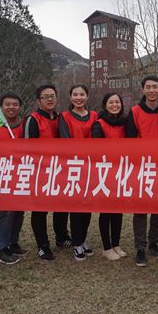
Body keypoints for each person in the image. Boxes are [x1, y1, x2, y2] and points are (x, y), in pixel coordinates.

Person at [125, 75, 158, 267]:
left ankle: (154, 242)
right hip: (141, 167)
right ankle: (140, 247)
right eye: (148, 87)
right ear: (142, 90)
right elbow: (130, 140)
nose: (151, 90)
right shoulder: (134, 112)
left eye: (155, 87)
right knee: (141, 209)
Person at [24, 84, 66, 261]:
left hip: (60, 170)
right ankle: (43, 245)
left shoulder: (61, 118)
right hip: (40, 171)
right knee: (40, 210)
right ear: (38, 101)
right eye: (45, 97)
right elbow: (27, 148)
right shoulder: (33, 119)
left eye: (52, 96)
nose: (50, 99)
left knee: (62, 206)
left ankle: (62, 236)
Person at [59, 84, 98, 262]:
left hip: (91, 166)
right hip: (74, 166)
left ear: (87, 97)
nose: (79, 97)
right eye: (75, 94)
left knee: (88, 205)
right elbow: (65, 140)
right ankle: (76, 243)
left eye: (82, 94)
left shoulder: (95, 115)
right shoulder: (64, 117)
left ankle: (82, 239)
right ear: (70, 97)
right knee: (76, 206)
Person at [0, 92, 27, 265]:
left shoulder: (25, 125)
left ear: (20, 107)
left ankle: (13, 242)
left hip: (22, 173)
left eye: (15, 104)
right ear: (1, 106)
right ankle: (2, 248)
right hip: (3, 174)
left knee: (19, 210)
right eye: (7, 104)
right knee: (7, 212)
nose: (11, 107)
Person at [91, 92, 128, 261]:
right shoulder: (99, 124)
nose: (115, 105)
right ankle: (106, 247)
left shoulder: (125, 122)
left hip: (121, 170)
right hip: (105, 171)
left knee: (118, 210)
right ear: (105, 105)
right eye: (111, 102)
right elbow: (97, 149)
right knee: (106, 210)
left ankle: (116, 244)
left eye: (117, 102)